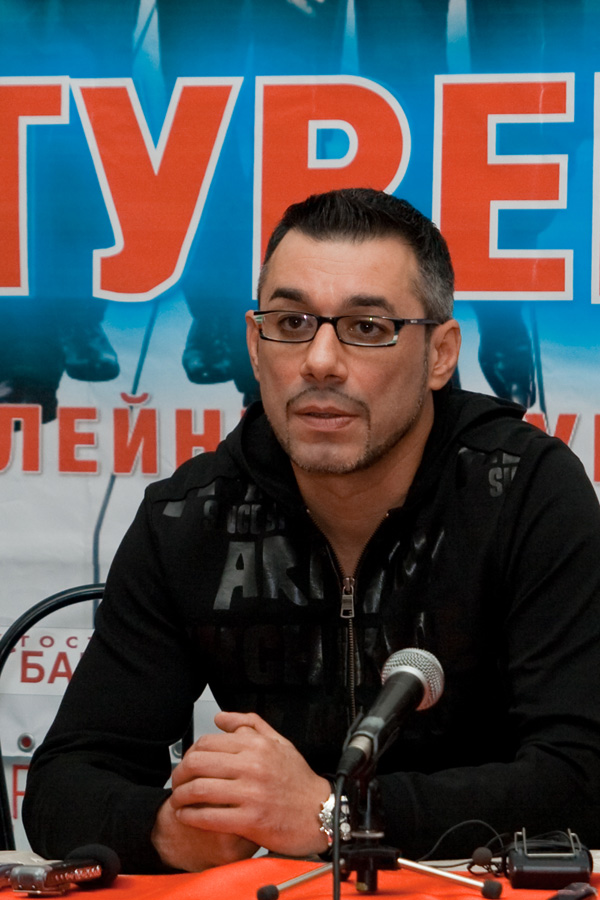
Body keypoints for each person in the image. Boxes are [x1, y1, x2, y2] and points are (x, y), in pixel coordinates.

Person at [23, 188, 600, 873]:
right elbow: (65, 782)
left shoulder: (525, 492)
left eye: (367, 328)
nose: (320, 361)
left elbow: (582, 779)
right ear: (254, 345)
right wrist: (167, 830)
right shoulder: (193, 515)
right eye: (292, 323)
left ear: (440, 354)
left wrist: (335, 814)